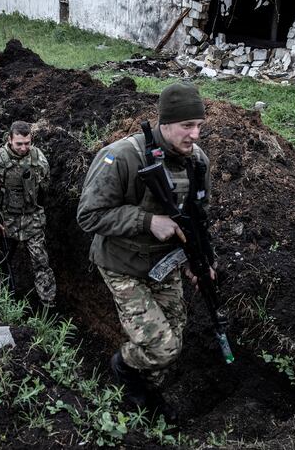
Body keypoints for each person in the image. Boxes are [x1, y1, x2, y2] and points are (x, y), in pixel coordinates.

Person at [76, 83, 214, 422]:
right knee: (161, 347)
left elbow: (197, 218)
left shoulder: (197, 162)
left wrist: (201, 262)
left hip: (164, 264)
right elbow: (88, 215)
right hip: (121, 262)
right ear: (164, 123)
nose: (195, 134)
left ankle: (147, 397)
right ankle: (123, 370)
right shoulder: (122, 156)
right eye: (187, 126)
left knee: (173, 340)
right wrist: (147, 220)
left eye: (199, 125)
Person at [0, 120, 56, 307]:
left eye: (27, 143)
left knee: (41, 264)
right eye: (19, 144)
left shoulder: (38, 158)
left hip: (32, 220)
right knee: (1, 262)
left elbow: (45, 186)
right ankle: (2, 301)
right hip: (5, 223)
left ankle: (48, 306)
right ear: (10, 139)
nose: (24, 148)